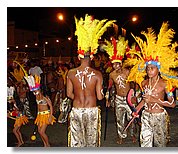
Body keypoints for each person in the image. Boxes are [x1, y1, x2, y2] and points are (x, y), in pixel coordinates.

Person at [125, 21, 178, 147]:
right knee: (145, 144)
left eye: (152, 68)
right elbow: (144, 100)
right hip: (145, 116)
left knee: (160, 145)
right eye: (148, 68)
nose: (149, 70)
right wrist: (137, 110)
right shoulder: (144, 83)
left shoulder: (165, 83)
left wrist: (155, 99)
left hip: (159, 116)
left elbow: (172, 104)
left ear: (158, 69)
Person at [66, 14, 115, 147]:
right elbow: (99, 96)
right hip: (91, 110)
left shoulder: (71, 73)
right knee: (91, 143)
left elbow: (69, 94)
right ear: (92, 56)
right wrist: (105, 95)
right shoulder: (97, 74)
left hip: (76, 109)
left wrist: (78, 95)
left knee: (77, 143)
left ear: (79, 56)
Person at [103, 36, 137, 144]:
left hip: (129, 99)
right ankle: (121, 136)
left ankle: (132, 134)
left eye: (117, 63)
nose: (115, 66)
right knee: (119, 119)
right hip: (118, 99)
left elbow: (134, 83)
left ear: (121, 63)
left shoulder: (127, 72)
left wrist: (134, 95)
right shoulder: (111, 74)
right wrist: (107, 99)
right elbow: (109, 87)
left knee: (132, 118)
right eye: (113, 64)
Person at [24, 75, 56, 147]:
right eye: (34, 92)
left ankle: (48, 144)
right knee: (39, 131)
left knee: (42, 131)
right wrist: (37, 116)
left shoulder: (45, 97)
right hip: (40, 115)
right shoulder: (36, 97)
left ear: (40, 90)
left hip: (46, 115)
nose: (35, 93)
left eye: (36, 91)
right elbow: (38, 107)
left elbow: (51, 106)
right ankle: (45, 145)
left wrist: (50, 116)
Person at [7, 80, 29, 147]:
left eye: (10, 99)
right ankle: (21, 141)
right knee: (18, 130)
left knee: (14, 130)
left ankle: (20, 142)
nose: (9, 100)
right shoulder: (15, 102)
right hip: (19, 117)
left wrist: (10, 114)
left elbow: (17, 112)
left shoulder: (15, 102)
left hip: (19, 117)